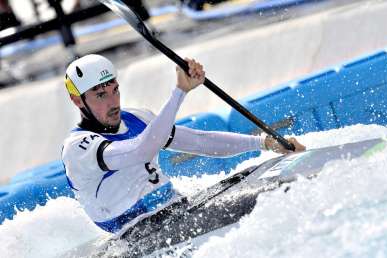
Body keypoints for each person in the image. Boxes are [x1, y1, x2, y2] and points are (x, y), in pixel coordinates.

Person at [61, 54, 305, 235]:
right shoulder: (78, 148)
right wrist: (179, 92)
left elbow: (200, 141)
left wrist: (265, 142)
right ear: (77, 100)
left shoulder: (137, 118)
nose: (113, 102)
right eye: (100, 95)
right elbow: (140, 150)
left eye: (115, 90)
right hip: (136, 233)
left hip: (177, 208)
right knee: (270, 197)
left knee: (282, 183)